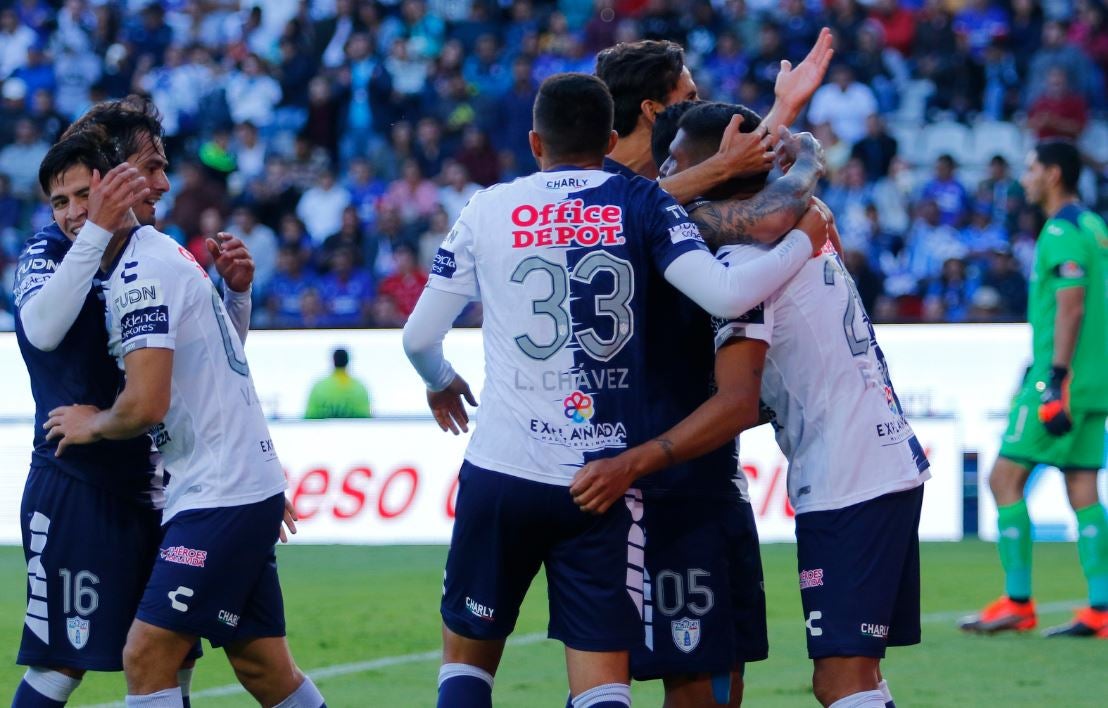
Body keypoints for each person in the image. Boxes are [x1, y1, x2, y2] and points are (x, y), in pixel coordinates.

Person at [402, 72, 825, 708]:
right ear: (608, 139)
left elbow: (417, 337)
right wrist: (802, 240)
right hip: (599, 480)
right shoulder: (642, 202)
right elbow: (728, 294)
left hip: (501, 471)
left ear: (534, 142)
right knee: (602, 682)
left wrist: (441, 380)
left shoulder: (488, 207)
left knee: (467, 665)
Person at [572, 101, 930, 708]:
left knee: (841, 680)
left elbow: (740, 402)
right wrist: (806, 158)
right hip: (872, 462)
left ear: (720, 166)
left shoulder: (743, 257)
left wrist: (635, 461)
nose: (664, 174)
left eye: (678, 160)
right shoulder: (790, 230)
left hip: (851, 478)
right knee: (859, 677)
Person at [41, 130, 324, 707]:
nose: (72, 215)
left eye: (81, 195)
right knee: (264, 669)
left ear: (107, 183)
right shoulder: (158, 255)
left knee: (146, 656)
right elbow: (214, 366)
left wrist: (90, 422)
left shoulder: (141, 269)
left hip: (221, 492)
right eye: (58, 203)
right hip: (231, 487)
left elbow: (148, 405)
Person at [593, 36, 830, 706]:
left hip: (701, 461)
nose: (705, 112)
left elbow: (741, 183)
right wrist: (791, 165)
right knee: (678, 678)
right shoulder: (605, 199)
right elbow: (752, 206)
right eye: (690, 101)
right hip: (654, 469)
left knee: (719, 674)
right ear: (652, 109)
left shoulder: (663, 202)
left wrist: (781, 116)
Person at [11, 97, 259, 708]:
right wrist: (92, 226)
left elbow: (204, 368)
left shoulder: (152, 251)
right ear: (107, 172)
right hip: (78, 485)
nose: (163, 183)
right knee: (60, 667)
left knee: (168, 656)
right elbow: (41, 329)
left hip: (159, 484)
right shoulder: (51, 248)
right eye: (149, 168)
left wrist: (235, 298)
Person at [959, 140, 1108, 638]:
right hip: (1096, 380)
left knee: (1003, 479)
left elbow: (1072, 306)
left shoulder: (1061, 230)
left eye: (1031, 168)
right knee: (1082, 484)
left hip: (1059, 378)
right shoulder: (1094, 226)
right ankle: (1101, 609)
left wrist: (1055, 381)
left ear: (1053, 174)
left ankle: (1018, 602)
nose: (1025, 177)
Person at [305, 348, 372, 419]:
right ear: (348, 361)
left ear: (333, 361)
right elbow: (366, 418)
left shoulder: (319, 387)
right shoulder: (359, 388)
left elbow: (309, 416)